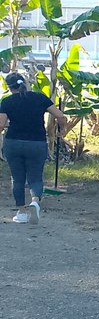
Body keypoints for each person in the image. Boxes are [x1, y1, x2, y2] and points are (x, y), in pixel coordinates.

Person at [0, 72, 67, 224]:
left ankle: (21, 212)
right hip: (36, 143)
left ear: (10, 87)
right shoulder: (39, 97)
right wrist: (62, 130)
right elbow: (61, 116)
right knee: (36, 176)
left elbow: (1, 124)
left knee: (17, 178)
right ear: (25, 83)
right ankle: (35, 202)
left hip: (14, 142)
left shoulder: (7, 101)